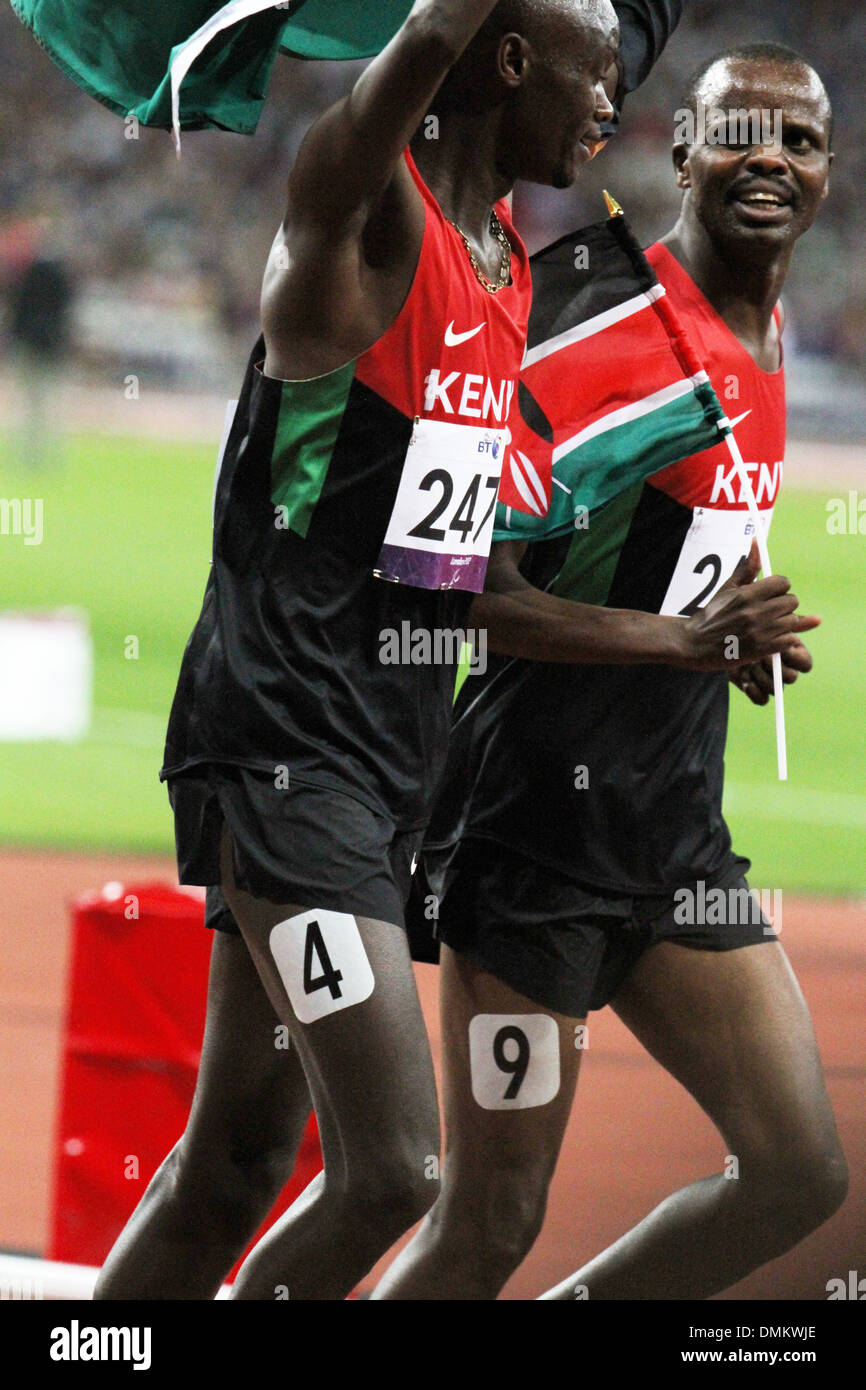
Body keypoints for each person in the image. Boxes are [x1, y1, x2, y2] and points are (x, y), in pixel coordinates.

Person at [372, 43, 846, 1302]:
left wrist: (719, 628)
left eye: (798, 141)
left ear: (827, 172)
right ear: (678, 152)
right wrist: (678, 642)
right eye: (737, 132)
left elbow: (670, 535)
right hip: (532, 839)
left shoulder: (766, 323)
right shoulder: (600, 325)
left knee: (797, 1169)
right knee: (486, 1227)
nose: (770, 159)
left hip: (673, 839)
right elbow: (456, 587)